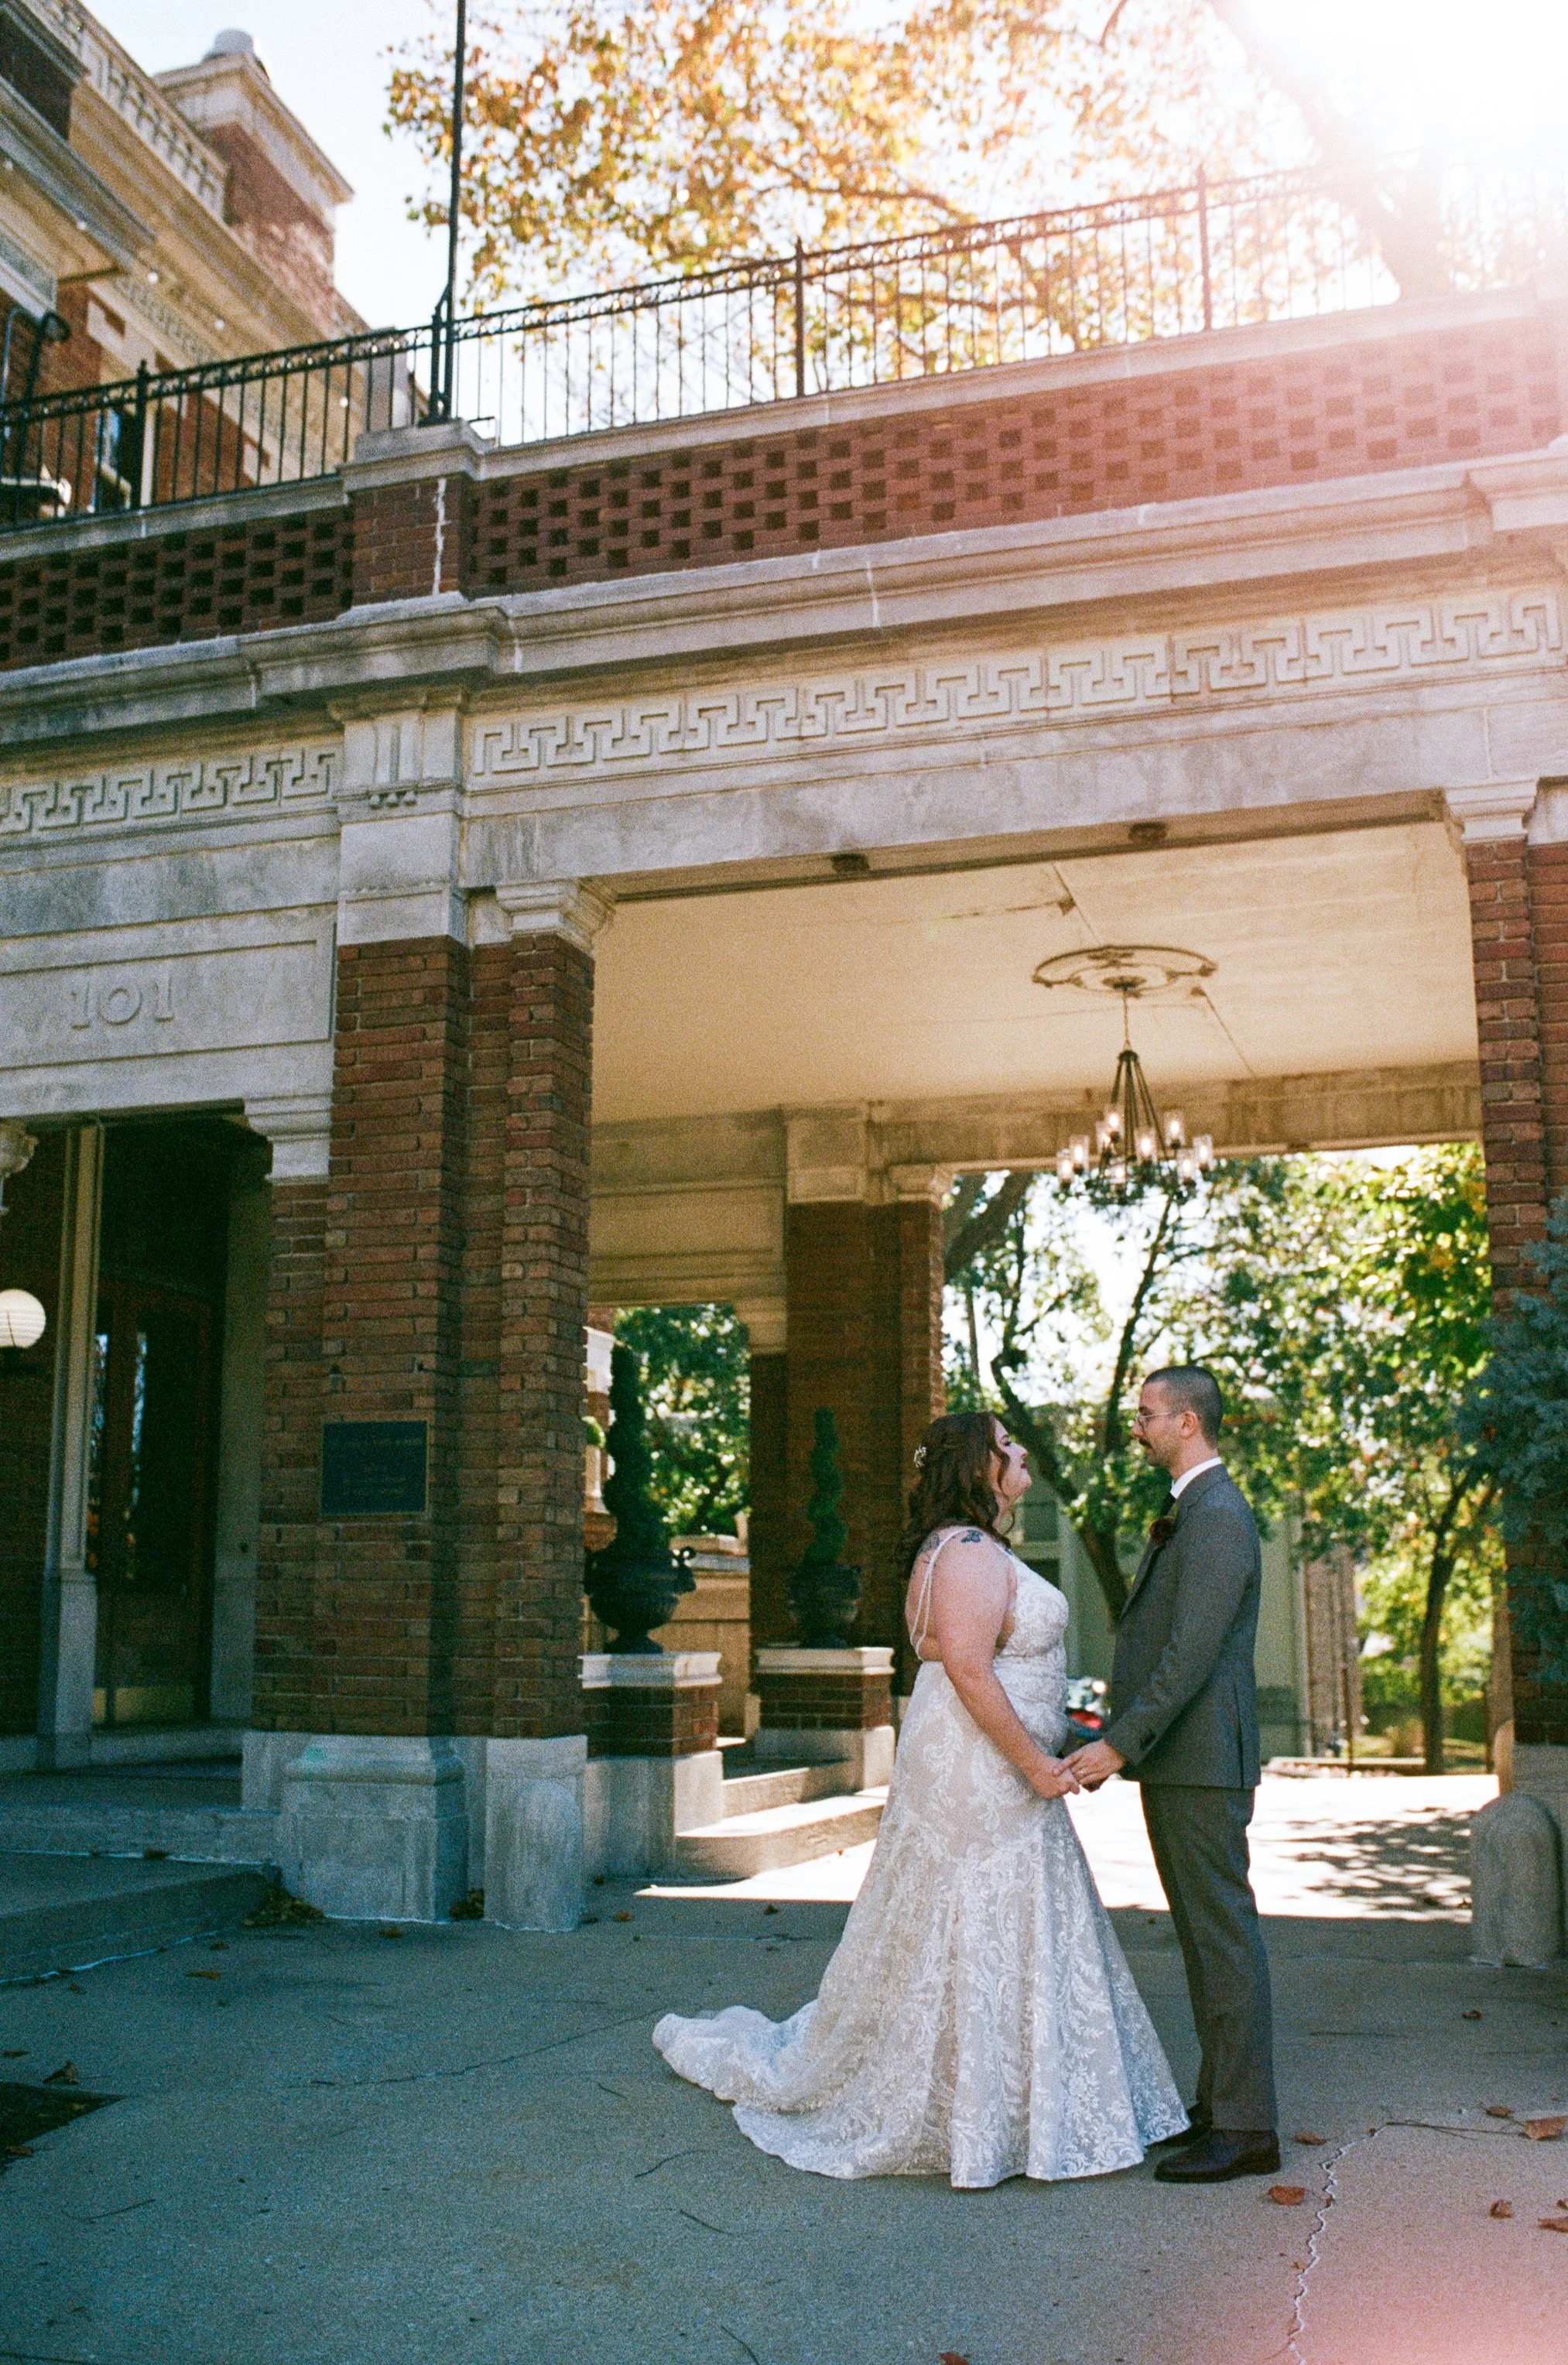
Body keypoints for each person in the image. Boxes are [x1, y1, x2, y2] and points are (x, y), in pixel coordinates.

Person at [652, 1410, 1187, 2187]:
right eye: (1006, 1445)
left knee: (989, 1917)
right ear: (978, 1470)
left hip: (980, 1757)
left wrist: (1057, 1740)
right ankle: (975, 2118)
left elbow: (971, 1657)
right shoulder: (966, 1550)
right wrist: (1039, 1764)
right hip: (982, 1767)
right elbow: (970, 1672)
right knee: (976, 1913)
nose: (1021, 1451)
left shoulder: (968, 1548)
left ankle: (999, 2111)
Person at [1066, 1365, 1280, 2184]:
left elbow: (1191, 1652)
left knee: (1222, 1939)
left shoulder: (1218, 1513)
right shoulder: (1194, 1509)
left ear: (1187, 1421)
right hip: (1182, 1761)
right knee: (1202, 1939)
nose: (1138, 1427)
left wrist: (1119, 1742)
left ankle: (1247, 2126)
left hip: (1199, 1761)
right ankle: (1220, 2103)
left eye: (1147, 1414)